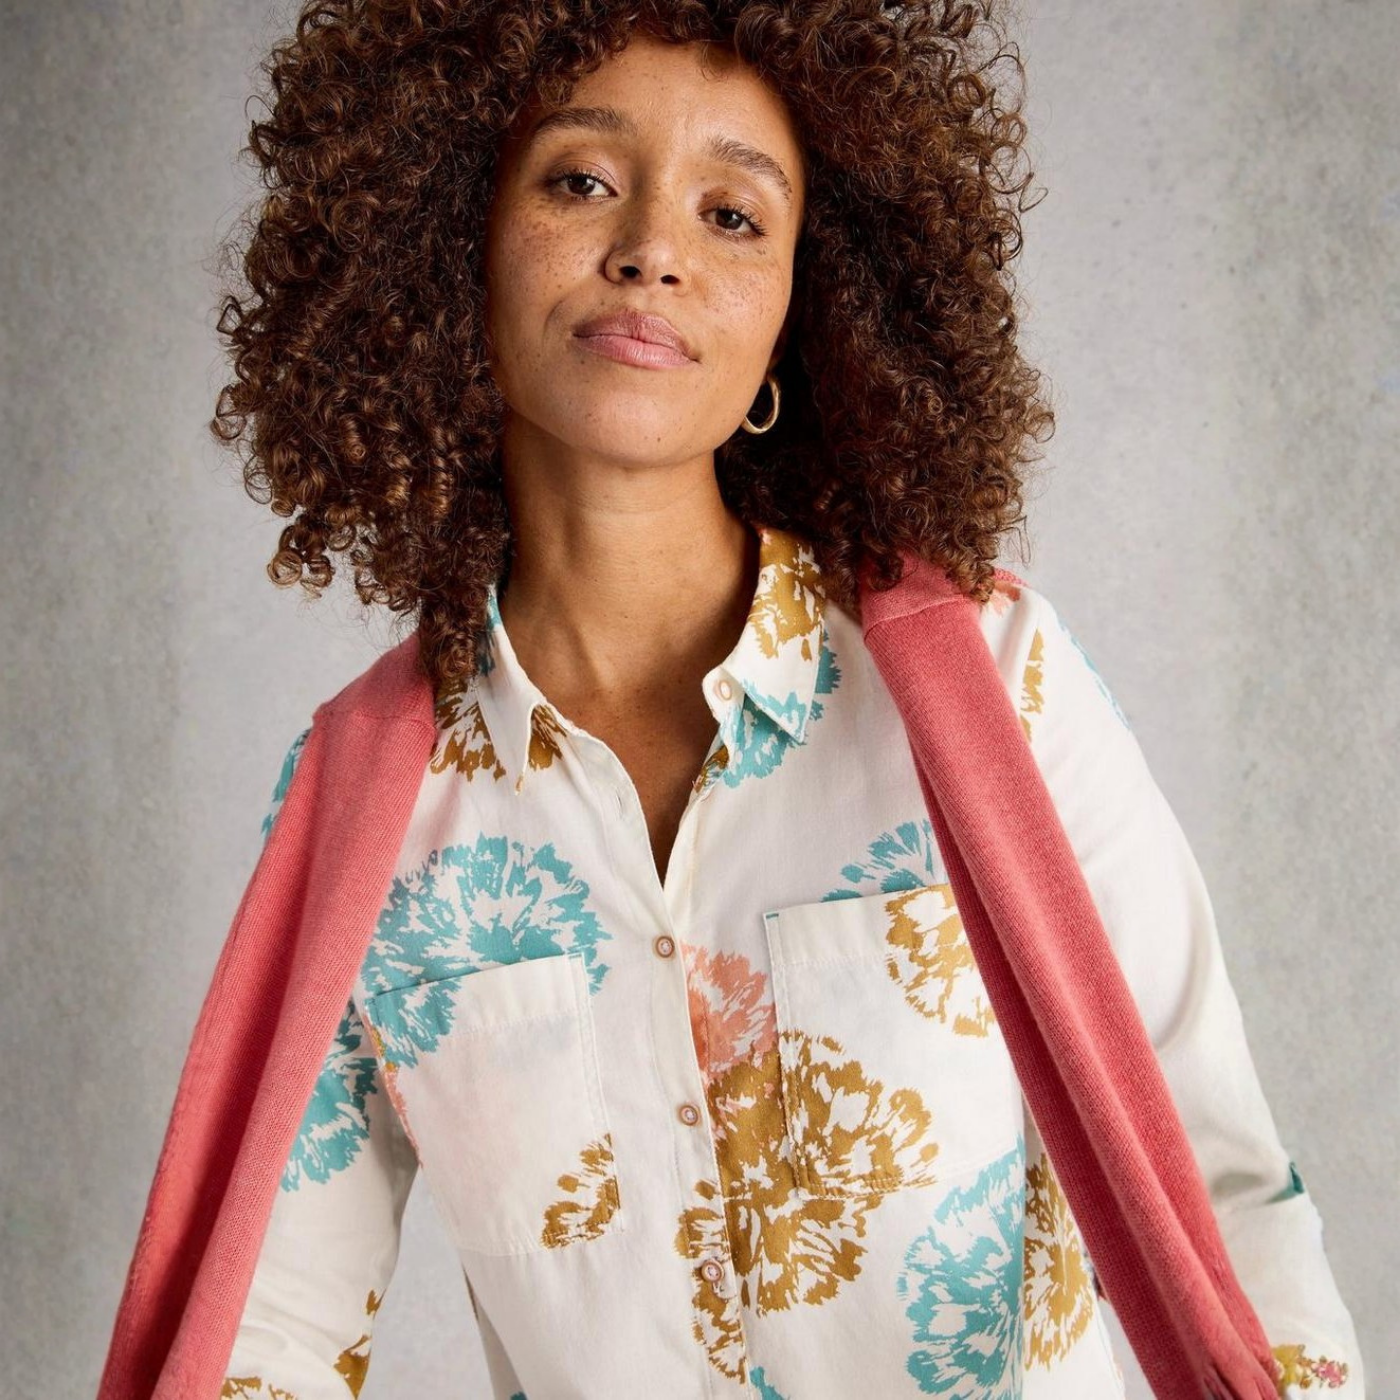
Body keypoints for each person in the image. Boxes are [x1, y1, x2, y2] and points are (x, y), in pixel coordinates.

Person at [191, 2, 1363, 1396]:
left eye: (734, 215)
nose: (654, 250)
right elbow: (263, 1328)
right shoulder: (365, 810)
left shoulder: (998, 685)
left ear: (800, 317)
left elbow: (1219, 1197)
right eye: (580, 180)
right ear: (456, 247)